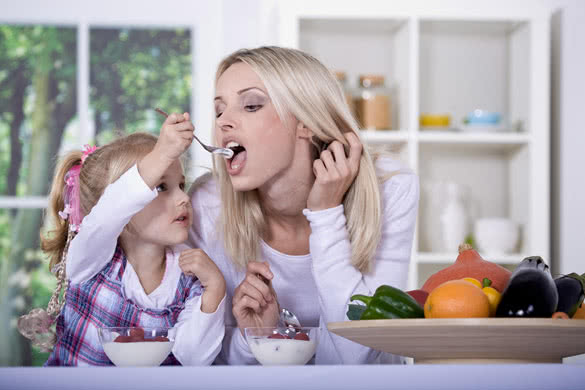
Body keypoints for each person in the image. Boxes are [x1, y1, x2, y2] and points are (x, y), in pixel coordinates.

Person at [188, 46, 419, 365]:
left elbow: (361, 353)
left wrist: (326, 215)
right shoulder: (208, 205)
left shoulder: (390, 188)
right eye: (218, 110)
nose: (223, 122)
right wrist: (257, 339)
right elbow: (203, 363)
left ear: (306, 122)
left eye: (251, 105)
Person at [17, 113, 226, 366]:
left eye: (181, 185)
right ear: (124, 205)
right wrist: (161, 154)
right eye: (161, 187)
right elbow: (109, 211)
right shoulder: (90, 261)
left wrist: (215, 288)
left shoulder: (188, 276)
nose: (183, 198)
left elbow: (193, 358)